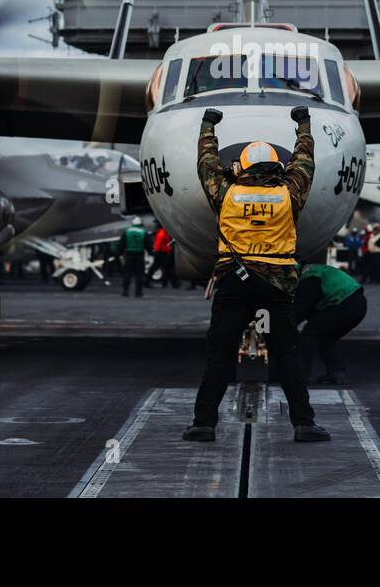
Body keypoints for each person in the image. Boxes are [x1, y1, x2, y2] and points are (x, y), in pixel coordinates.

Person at [183, 106, 329, 443]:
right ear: (277, 167)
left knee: (219, 356)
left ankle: (204, 423)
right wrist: (302, 124)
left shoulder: (227, 193)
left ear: (243, 167)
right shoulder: (289, 194)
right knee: (288, 355)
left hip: (234, 283)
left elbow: (205, 161)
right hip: (276, 285)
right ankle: (304, 423)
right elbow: (305, 160)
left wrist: (209, 126)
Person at [294, 263, 367, 385]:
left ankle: (301, 375)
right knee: (327, 338)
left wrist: (285, 327)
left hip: (345, 303)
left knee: (310, 333)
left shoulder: (310, 278)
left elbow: (301, 309)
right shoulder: (320, 271)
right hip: (358, 304)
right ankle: (336, 373)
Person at [121, 217, 148, 297]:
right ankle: (138, 292)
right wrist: (152, 252)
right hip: (139, 255)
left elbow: (122, 244)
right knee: (139, 274)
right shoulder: (143, 232)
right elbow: (148, 244)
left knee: (127, 274)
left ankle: (125, 291)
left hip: (129, 254)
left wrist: (118, 253)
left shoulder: (127, 232)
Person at [151, 223, 176, 288]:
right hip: (162, 253)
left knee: (165, 269)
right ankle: (173, 284)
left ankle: (166, 283)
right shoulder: (163, 233)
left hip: (162, 253)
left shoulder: (163, 233)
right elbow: (159, 244)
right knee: (167, 269)